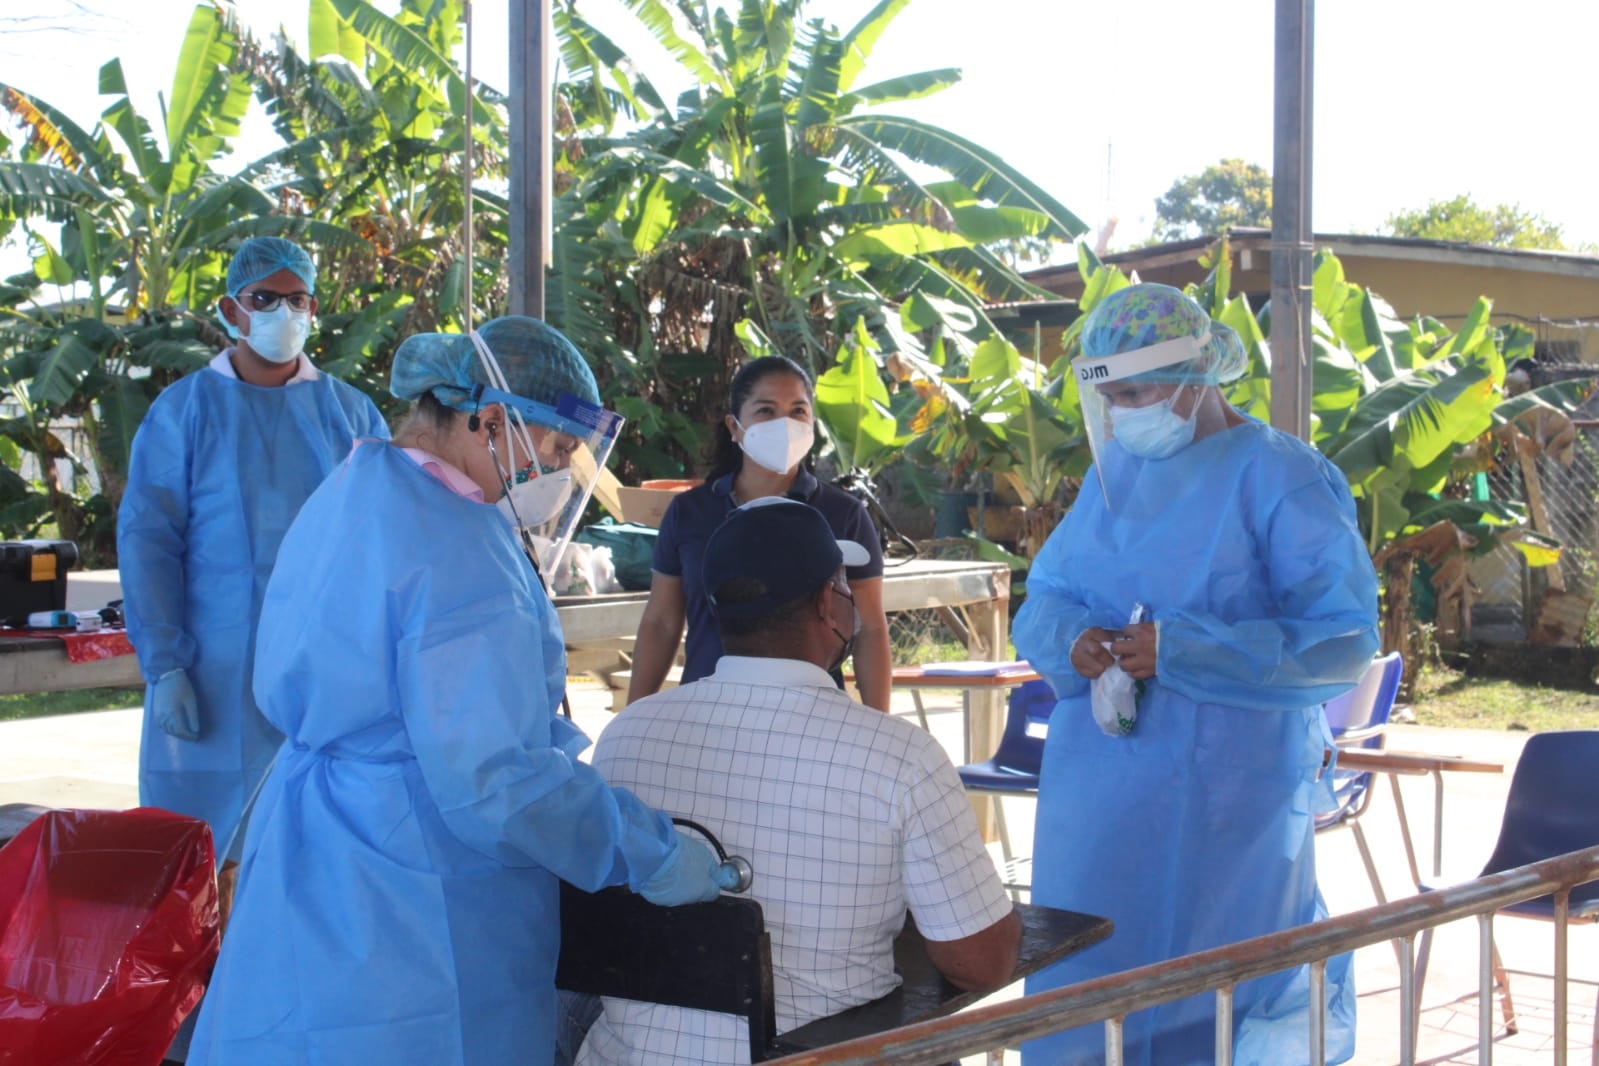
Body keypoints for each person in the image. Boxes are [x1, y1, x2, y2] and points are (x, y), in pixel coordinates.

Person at [186, 315, 736, 1066]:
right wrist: (646, 851)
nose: (557, 471)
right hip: (415, 891)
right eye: (557, 446)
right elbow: (496, 784)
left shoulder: (353, 488)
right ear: (488, 420)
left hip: (312, 849)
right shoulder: (460, 554)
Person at [1012, 283, 1381, 1065]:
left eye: (1138, 392)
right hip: (1101, 792)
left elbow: (1341, 638)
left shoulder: (1280, 476)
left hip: (1228, 792)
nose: (1122, 412)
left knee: (1213, 974)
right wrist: (1071, 638)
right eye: (1109, 396)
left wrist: (1186, 649)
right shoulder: (1113, 474)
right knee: (1090, 965)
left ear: (1197, 375)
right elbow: (1047, 590)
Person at [576, 497, 1021, 1065]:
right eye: (842, 583)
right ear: (825, 605)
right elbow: (981, 963)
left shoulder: (627, 733)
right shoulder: (898, 756)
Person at [119, 235, 389, 861]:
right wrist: (166, 666)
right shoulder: (184, 410)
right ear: (230, 310)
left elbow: (382, 544)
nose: (283, 313)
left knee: (314, 848)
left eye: (298, 300)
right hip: (212, 673)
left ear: (314, 309)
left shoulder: (351, 416)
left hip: (326, 673)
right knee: (200, 860)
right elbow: (148, 541)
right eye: (264, 298)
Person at [626, 356, 893, 711]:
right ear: (734, 427)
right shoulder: (691, 513)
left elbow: (871, 628)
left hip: (812, 717)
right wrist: (633, 716)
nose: (784, 423)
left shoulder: (844, 514)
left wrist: (878, 724)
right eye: (766, 410)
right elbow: (661, 622)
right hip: (708, 714)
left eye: (798, 411)